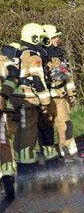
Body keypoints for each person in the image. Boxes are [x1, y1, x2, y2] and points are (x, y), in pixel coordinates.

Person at [41, 24, 78, 161]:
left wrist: (71, 92)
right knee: (46, 126)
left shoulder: (60, 54)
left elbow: (66, 75)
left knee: (65, 123)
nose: (57, 39)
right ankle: (49, 156)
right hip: (45, 99)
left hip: (60, 96)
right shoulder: (40, 57)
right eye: (54, 37)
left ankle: (69, 152)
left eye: (58, 37)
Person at [14, 23, 48, 165]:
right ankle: (26, 162)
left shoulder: (19, 53)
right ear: (34, 38)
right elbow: (38, 79)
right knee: (29, 130)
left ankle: (18, 158)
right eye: (39, 38)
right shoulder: (33, 56)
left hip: (16, 97)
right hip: (28, 98)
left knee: (20, 130)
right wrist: (46, 102)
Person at [0, 42, 19, 195]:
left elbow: (13, 75)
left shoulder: (3, 62)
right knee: (3, 143)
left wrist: (3, 95)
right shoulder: (4, 61)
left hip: (3, 111)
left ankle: (7, 177)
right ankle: (7, 175)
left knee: (3, 142)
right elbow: (13, 75)